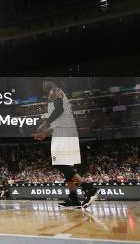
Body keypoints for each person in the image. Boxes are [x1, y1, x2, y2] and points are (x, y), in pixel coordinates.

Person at [35, 78, 100, 209]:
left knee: (59, 163)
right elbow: (59, 120)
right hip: (66, 131)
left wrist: (44, 124)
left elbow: (59, 110)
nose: (42, 84)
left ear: (51, 81)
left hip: (64, 132)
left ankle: (89, 188)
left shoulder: (55, 90)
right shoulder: (56, 94)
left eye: (44, 81)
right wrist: (46, 131)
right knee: (66, 167)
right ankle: (74, 199)